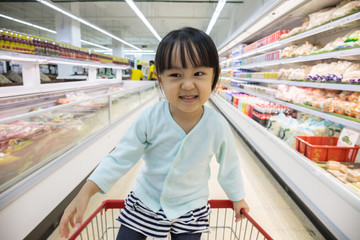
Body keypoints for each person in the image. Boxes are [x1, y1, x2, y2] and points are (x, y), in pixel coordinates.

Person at [59, 27, 249, 240]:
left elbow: (229, 166)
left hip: (191, 209)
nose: (187, 85)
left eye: (199, 73)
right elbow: (120, 157)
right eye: (175, 75)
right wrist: (87, 190)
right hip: (145, 202)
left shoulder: (217, 126)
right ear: (161, 79)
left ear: (215, 76)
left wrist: (237, 198)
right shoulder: (150, 119)